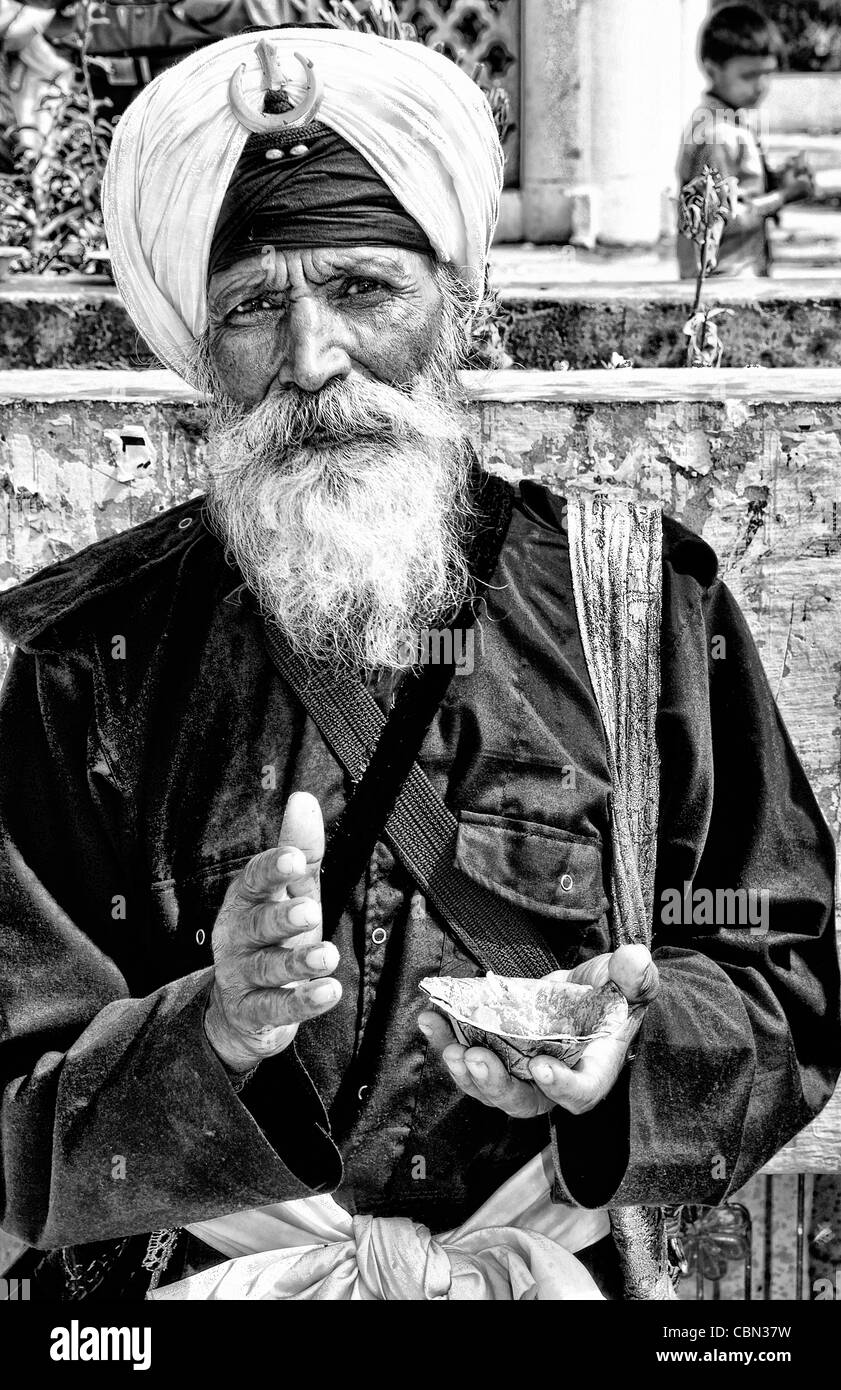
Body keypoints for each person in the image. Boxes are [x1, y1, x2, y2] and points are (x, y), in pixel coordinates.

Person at [0, 26, 838, 1302]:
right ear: (198, 347)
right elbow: (14, 1107)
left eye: (364, 288)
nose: (311, 357)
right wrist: (211, 1028)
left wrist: (629, 1050)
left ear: (462, 301)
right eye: (250, 307)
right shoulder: (85, 662)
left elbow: (787, 975)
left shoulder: (641, 602)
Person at [677, 3, 814, 279]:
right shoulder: (717, 133)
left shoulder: (729, 120)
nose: (761, 85)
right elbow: (717, 219)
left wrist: (776, 179)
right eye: (749, 75)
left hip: (737, 275)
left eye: (767, 73)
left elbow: (741, 191)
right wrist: (784, 196)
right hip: (723, 280)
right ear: (712, 70)